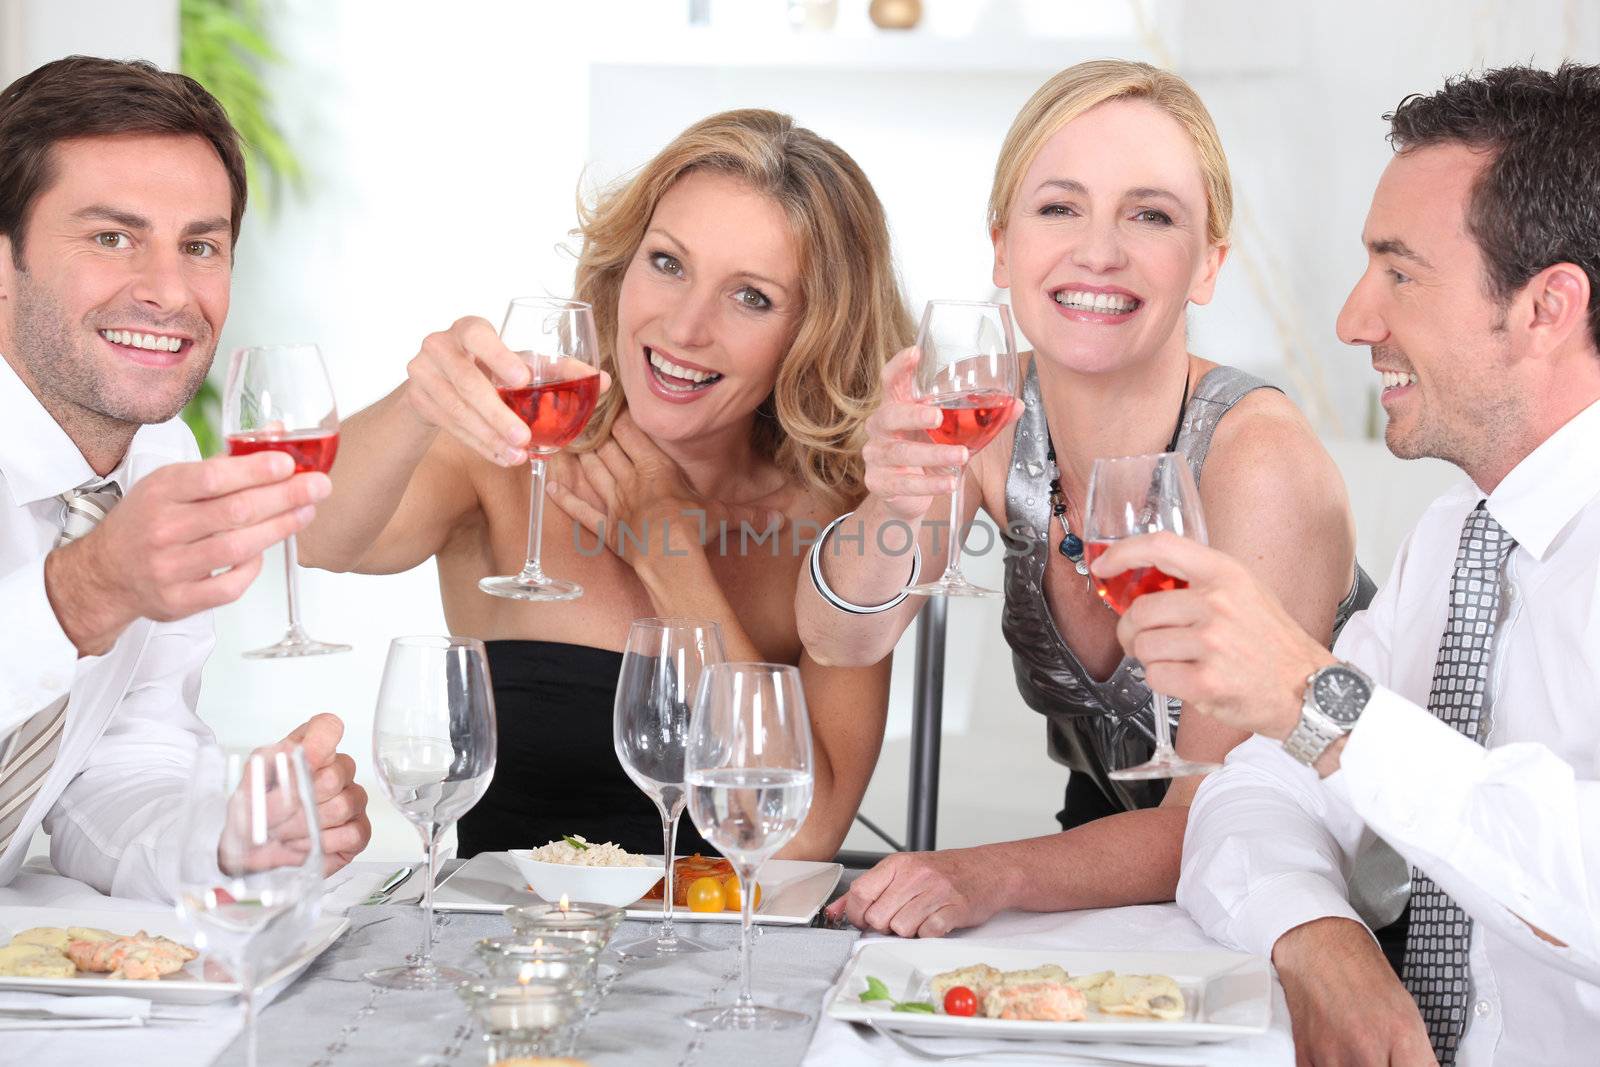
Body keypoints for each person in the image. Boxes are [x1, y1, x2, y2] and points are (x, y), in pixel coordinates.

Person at [1098, 62, 1600, 1067]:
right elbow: (1253, 796)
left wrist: (1315, 696)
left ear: (1546, 306)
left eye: (1398, 272)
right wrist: (1319, 939)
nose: (1352, 319)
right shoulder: (1454, 539)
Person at [804, 59, 1371, 937]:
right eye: (1059, 207)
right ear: (1002, 246)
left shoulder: (1261, 464)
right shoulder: (983, 411)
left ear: (1209, 263)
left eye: (1150, 215)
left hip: (1314, 905)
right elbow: (842, 635)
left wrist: (981, 872)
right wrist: (892, 501)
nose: (1099, 250)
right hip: (1114, 884)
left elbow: (1218, 817)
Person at [297, 109, 909, 859]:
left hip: (735, 967)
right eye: (668, 262)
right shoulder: (506, 453)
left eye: (751, 296)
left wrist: (666, 549)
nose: (685, 327)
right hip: (509, 960)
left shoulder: (845, 532)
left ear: (815, 331)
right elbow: (319, 537)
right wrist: (419, 397)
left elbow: (799, 841)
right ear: (624, 265)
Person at [0, 57, 371, 900]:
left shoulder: (158, 457)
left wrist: (230, 837)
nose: (169, 292)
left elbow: (118, 770)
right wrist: (84, 590)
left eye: (200, 246)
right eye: (111, 238)